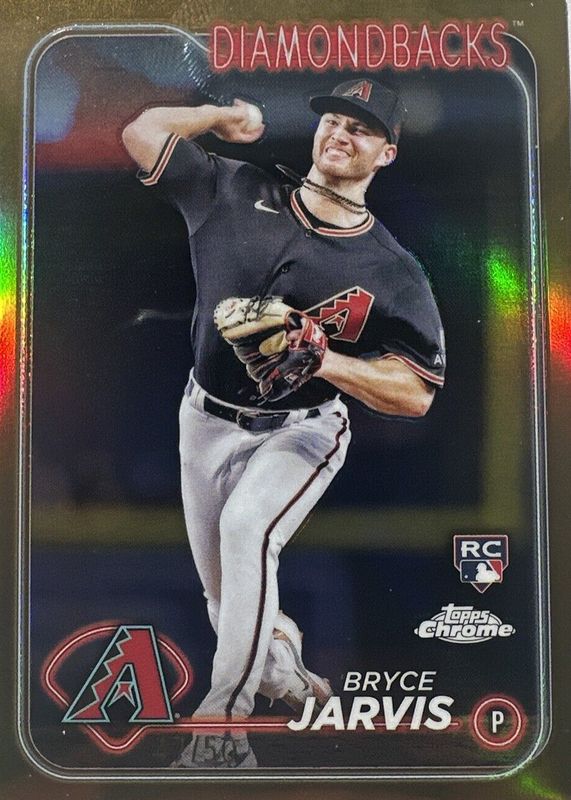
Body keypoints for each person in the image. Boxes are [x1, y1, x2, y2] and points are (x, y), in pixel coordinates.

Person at [122, 78, 446, 768]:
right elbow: (141, 132)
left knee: (248, 530)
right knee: (225, 598)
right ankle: (280, 665)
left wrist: (325, 359)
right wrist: (218, 116)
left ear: (386, 153)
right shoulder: (232, 189)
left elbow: (415, 392)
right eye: (334, 119)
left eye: (361, 128)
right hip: (203, 417)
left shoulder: (390, 269)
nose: (340, 133)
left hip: (300, 427)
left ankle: (222, 733)